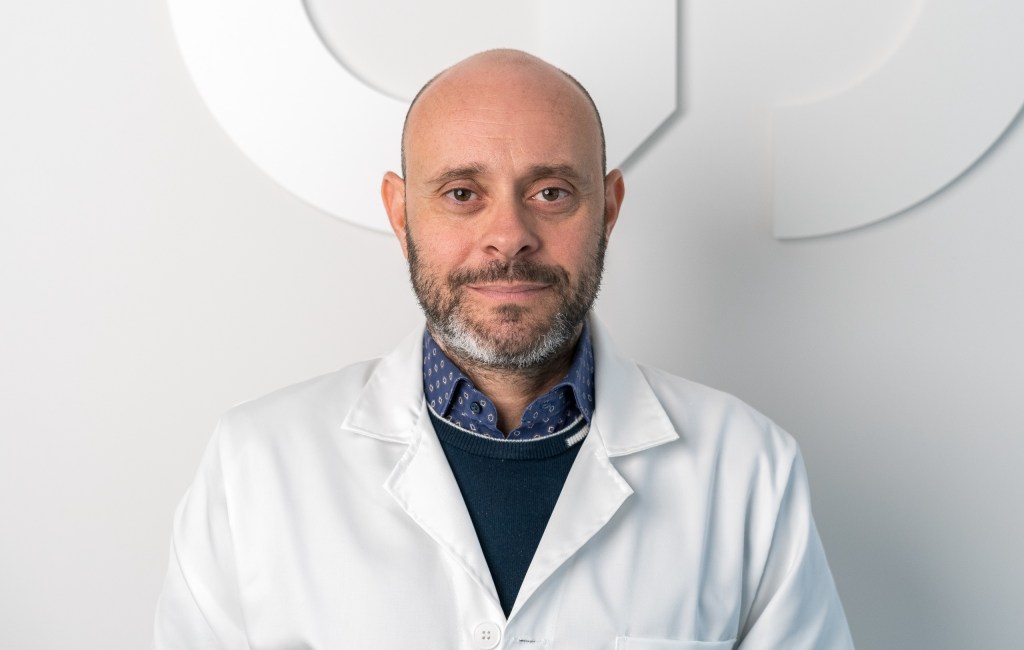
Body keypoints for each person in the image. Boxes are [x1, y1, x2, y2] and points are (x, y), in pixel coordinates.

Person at [154, 49, 854, 649]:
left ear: (609, 209)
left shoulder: (747, 469)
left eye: (550, 192)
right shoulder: (255, 467)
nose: (509, 235)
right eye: (462, 192)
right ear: (401, 214)